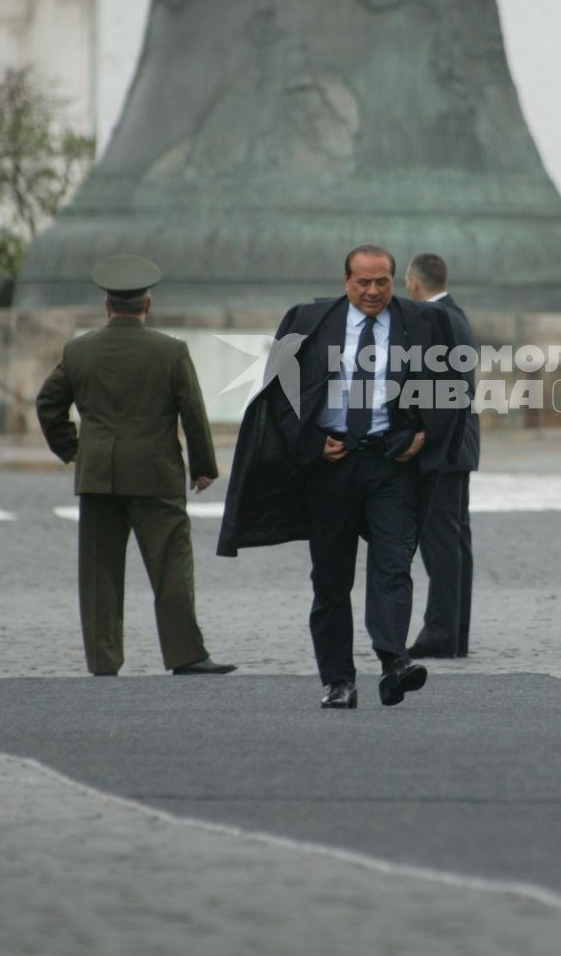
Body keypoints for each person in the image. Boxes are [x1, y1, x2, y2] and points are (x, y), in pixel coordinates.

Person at [218, 244, 463, 709]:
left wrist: (426, 432)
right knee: (331, 580)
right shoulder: (307, 321)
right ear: (345, 281)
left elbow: (452, 385)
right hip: (331, 466)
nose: (373, 292)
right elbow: (278, 394)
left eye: (382, 282)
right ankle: (339, 681)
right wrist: (310, 445)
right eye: (363, 283)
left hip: (391, 463)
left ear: (395, 279)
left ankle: (395, 663)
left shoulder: (426, 323)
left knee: (394, 566)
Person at [35, 254, 235, 679]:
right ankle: (185, 654)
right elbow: (193, 415)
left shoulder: (78, 350)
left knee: (99, 574)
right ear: (148, 306)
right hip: (155, 473)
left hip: (98, 475)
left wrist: (74, 451)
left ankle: (103, 660)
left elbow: (48, 404)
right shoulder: (171, 351)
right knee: (171, 567)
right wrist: (203, 466)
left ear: (107, 307)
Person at [404, 253, 478, 658]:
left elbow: (440, 388)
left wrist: (422, 436)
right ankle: (454, 633)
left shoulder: (435, 319)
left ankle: (441, 634)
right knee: (454, 542)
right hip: (459, 444)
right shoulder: (457, 315)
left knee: (441, 545)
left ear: (414, 282)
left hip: (442, 448)